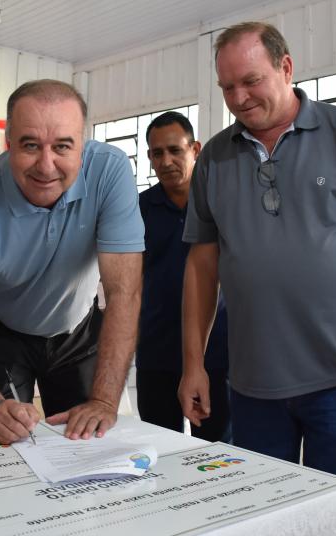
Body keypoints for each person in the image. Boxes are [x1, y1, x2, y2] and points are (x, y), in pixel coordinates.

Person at [178, 21, 336, 536]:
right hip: (253, 386)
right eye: (227, 87)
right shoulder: (215, 158)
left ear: (286, 67)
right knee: (267, 523)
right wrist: (193, 364)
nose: (239, 98)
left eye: (251, 81)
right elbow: (202, 265)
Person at [0, 79, 144, 445]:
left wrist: (105, 401)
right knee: (9, 441)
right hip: (3, 331)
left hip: (77, 328)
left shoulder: (110, 170)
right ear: (8, 142)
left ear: (82, 145)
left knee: (87, 442)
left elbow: (124, 292)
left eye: (62, 146)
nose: (46, 166)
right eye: (30, 145)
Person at [137, 111, 230, 442]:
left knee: (220, 453)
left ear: (196, 150)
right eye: (157, 153)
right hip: (157, 352)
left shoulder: (221, 205)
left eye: (175, 150)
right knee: (161, 449)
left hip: (218, 353)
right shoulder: (138, 209)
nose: (166, 161)